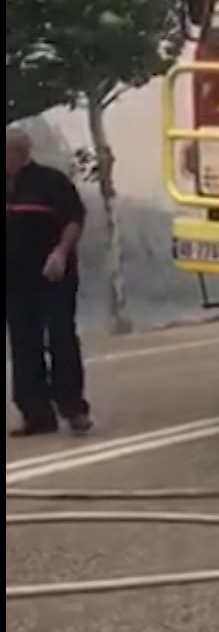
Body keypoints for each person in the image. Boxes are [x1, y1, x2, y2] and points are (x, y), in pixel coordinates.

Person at [6, 125, 93, 438]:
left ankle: (74, 409)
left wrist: (60, 252)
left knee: (61, 339)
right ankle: (36, 415)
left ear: (19, 153)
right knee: (23, 345)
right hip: (14, 281)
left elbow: (74, 218)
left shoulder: (50, 181)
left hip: (52, 276)